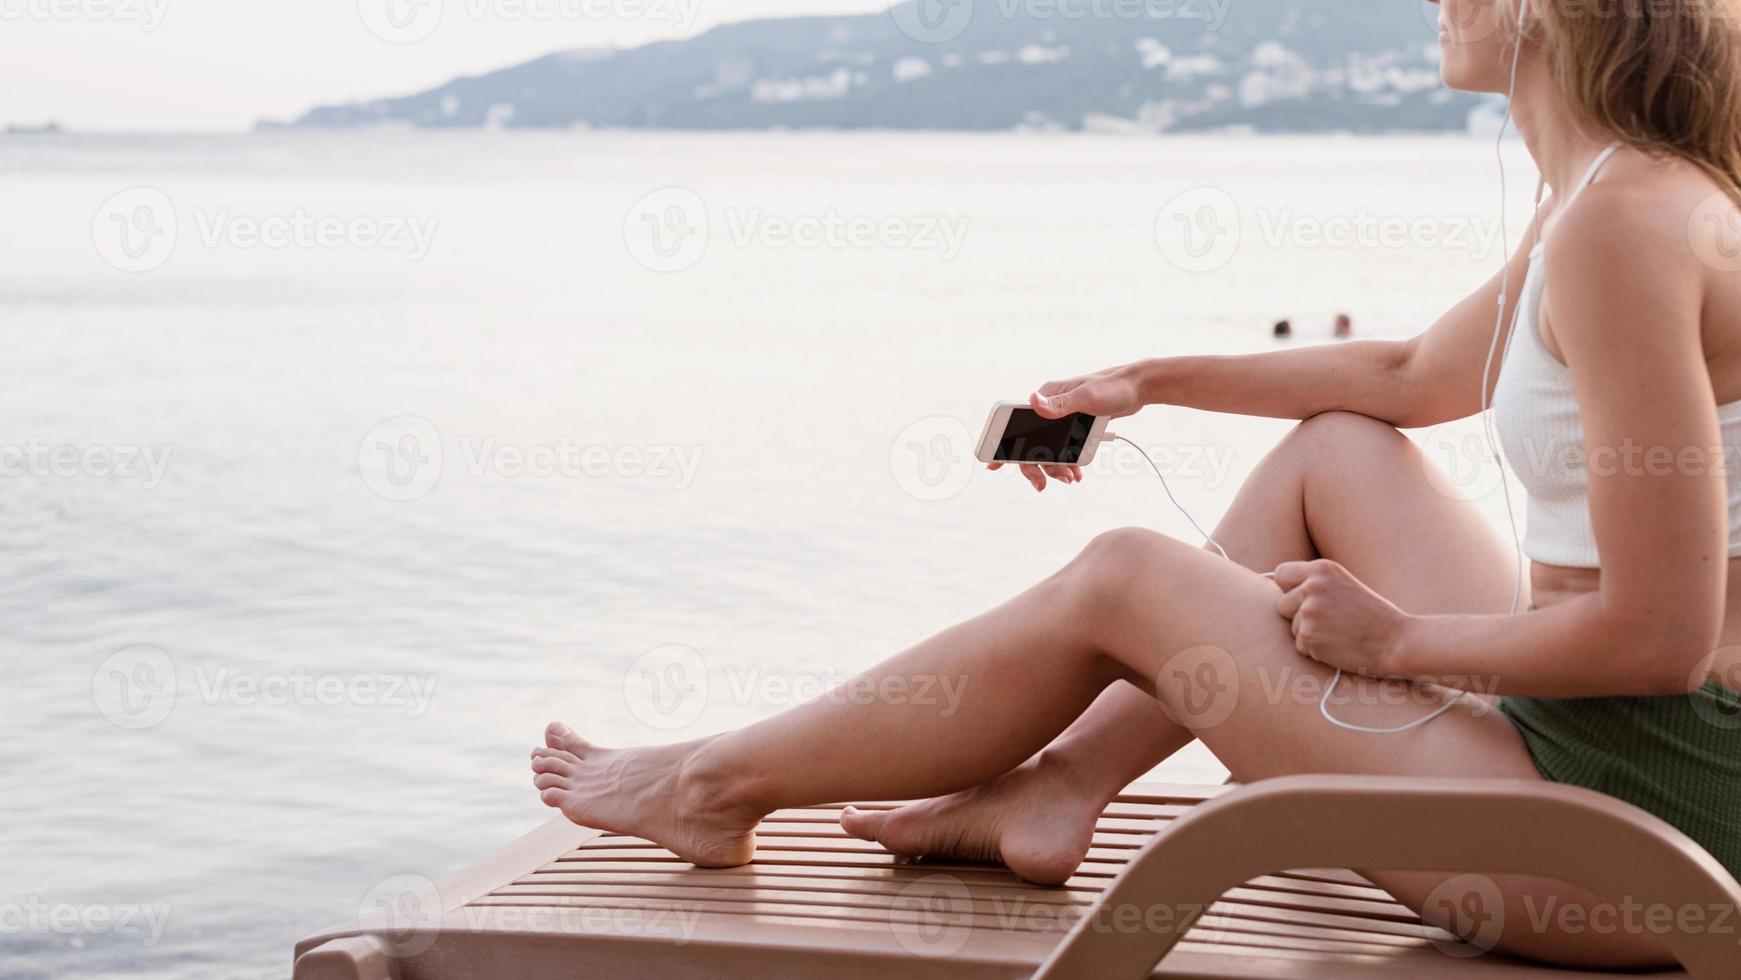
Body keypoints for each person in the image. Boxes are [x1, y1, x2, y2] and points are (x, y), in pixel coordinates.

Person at [531, 0, 1741, 968]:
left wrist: (1398, 637)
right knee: (1338, 443)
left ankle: (710, 784)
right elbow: (1406, 372)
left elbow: (1659, 639)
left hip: (1642, 838)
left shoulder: (1624, 229)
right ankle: (1056, 784)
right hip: (1610, 756)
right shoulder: (1599, 200)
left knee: (1128, 575)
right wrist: (1144, 379)